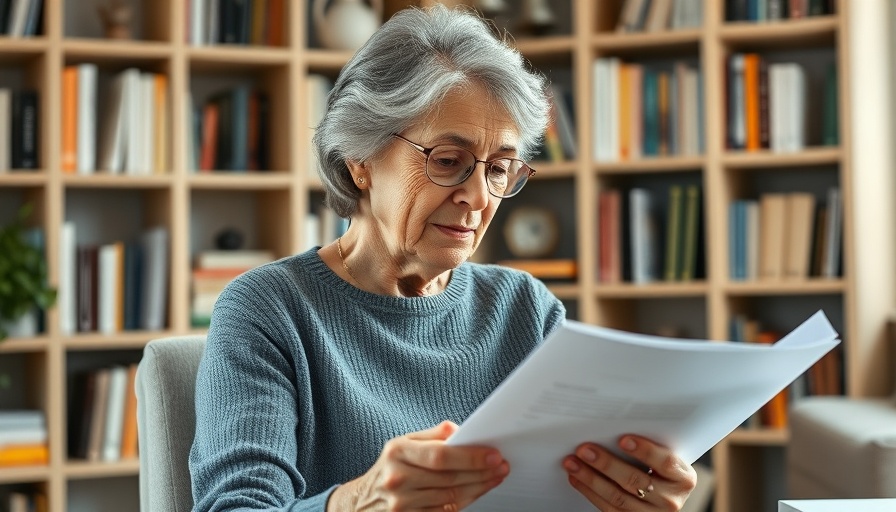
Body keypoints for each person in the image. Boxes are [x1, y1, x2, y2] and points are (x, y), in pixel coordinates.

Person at [189, 5, 697, 512]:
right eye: (448, 161)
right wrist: (356, 502)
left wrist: (629, 498)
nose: (478, 197)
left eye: (499, 169)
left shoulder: (525, 310)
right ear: (360, 160)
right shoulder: (268, 309)